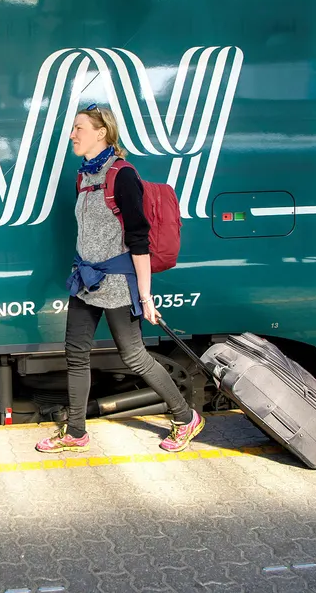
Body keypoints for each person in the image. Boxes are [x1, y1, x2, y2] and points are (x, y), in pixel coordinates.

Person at [35, 103, 204, 454]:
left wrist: (146, 297)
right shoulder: (84, 177)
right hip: (85, 279)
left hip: (117, 283)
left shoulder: (122, 175)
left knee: (134, 356)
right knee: (75, 354)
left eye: (79, 128)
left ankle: (185, 416)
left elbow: (139, 240)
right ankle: (76, 432)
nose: (72, 135)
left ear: (101, 132)